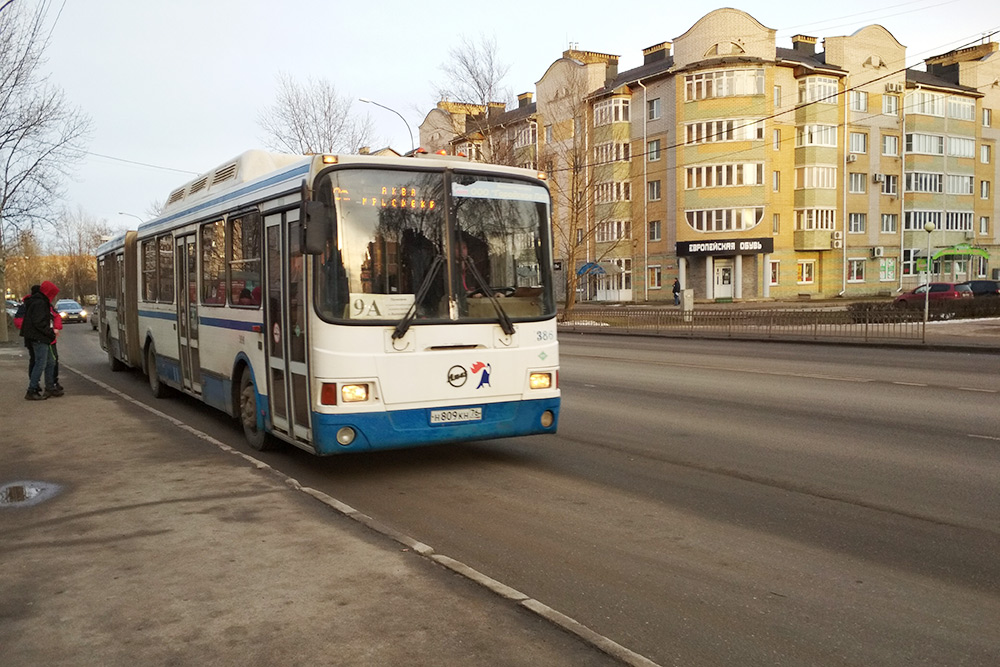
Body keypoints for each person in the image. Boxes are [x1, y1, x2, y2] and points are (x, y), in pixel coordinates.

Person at [19, 280, 61, 400]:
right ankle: (32, 389)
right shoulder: (40, 303)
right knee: (41, 363)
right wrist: (50, 332)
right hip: (39, 338)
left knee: (49, 362)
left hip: (39, 337)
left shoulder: (37, 301)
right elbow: (39, 322)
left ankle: (49, 386)